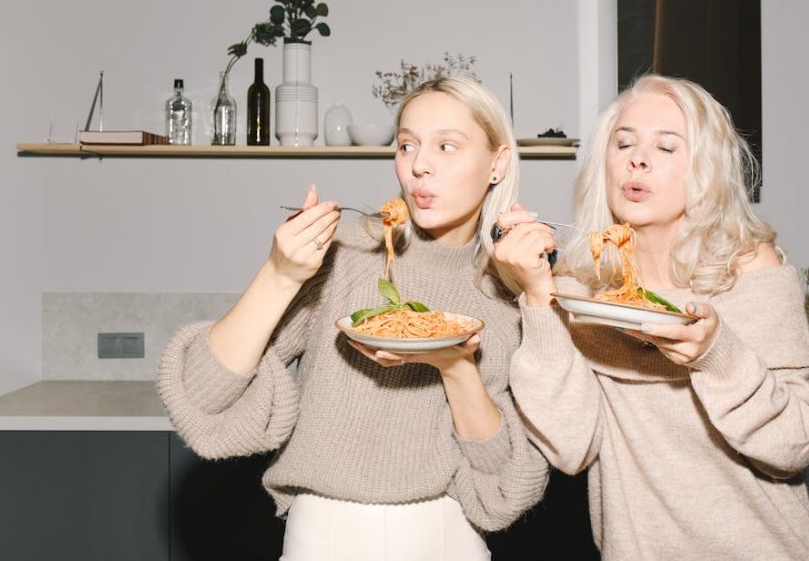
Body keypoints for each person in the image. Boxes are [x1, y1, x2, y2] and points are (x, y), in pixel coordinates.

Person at [158, 76, 548, 561]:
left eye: (447, 146)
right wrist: (279, 275)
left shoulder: (516, 290)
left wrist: (455, 365)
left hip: (447, 540)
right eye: (407, 145)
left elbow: (501, 488)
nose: (419, 166)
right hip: (320, 537)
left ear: (498, 162)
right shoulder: (344, 254)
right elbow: (203, 399)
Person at [494, 75, 809, 560]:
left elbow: (797, 444)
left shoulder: (749, 270)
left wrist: (717, 355)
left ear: (704, 170)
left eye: (666, 147)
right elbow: (571, 448)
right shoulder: (579, 291)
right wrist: (536, 296)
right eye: (624, 142)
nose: (638, 158)